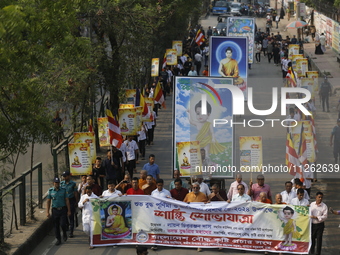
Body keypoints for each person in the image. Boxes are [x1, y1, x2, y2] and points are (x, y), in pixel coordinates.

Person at [46, 177, 71, 246]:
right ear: (53, 183)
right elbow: (48, 201)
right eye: (55, 182)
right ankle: (58, 239)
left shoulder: (63, 190)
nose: (57, 184)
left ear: (59, 183)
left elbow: (67, 200)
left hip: (62, 209)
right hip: (55, 210)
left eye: (58, 183)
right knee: (56, 226)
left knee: (63, 224)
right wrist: (47, 212)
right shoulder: (51, 191)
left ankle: (64, 233)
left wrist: (69, 210)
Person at [60, 171, 78, 238]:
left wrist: (76, 201)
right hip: (64, 201)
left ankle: (71, 231)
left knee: (71, 216)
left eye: (65, 176)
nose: (64, 177)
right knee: (64, 216)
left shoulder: (73, 184)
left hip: (71, 200)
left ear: (68, 176)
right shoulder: (61, 184)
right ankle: (67, 226)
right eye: (63, 176)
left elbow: (75, 192)